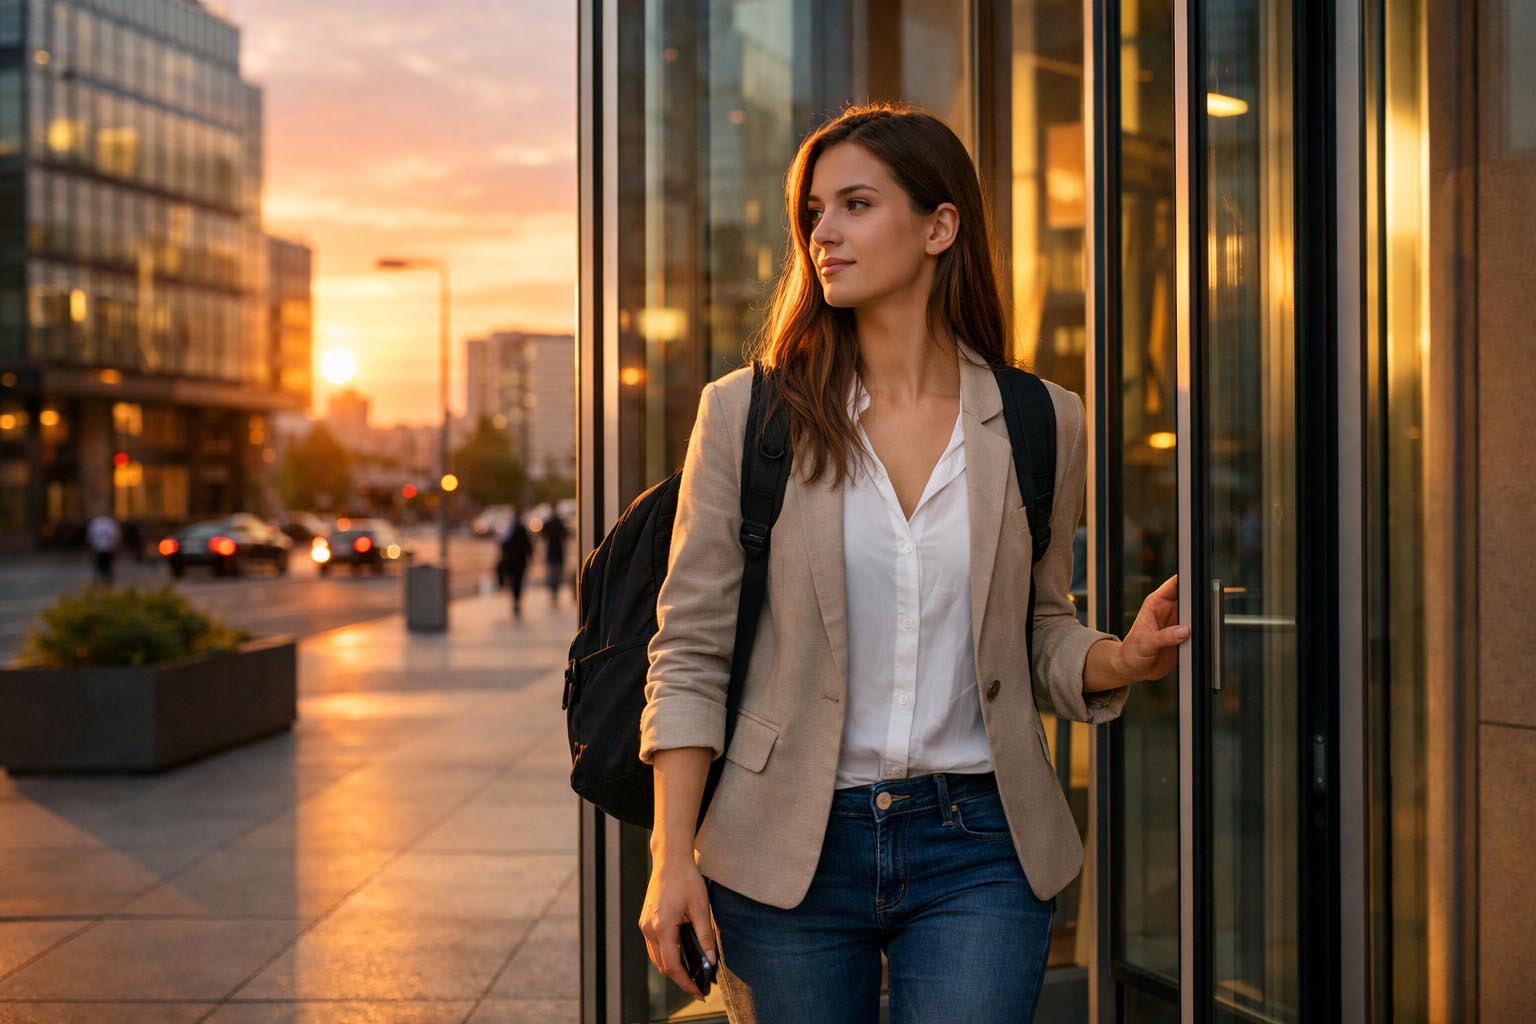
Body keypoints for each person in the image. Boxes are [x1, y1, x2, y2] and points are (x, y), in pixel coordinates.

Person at [637, 103, 1190, 1024]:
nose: (824, 233)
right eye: (813, 211)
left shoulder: (1043, 420)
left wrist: (1116, 659)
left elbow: (1037, 626)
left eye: (855, 204)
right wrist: (671, 859)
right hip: (786, 848)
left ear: (940, 228)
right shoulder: (748, 414)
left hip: (980, 841)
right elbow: (687, 648)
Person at [498, 508, 533, 619]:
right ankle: (516, 600)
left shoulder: (510, 529)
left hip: (511, 560)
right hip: (520, 560)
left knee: (514, 580)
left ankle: (515, 599)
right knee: (518, 581)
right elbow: (528, 545)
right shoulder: (521, 529)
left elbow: (503, 544)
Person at [540, 509, 569, 606]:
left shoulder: (548, 523)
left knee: (552, 573)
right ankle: (555, 593)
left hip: (551, 550)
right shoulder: (559, 523)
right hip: (558, 550)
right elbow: (565, 535)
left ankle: (553, 592)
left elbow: (543, 535)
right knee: (557, 573)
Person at [85, 510, 122, 584]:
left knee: (103, 567)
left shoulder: (96, 523)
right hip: (105, 548)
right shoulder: (109, 523)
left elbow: (90, 537)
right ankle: (104, 581)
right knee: (103, 567)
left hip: (103, 548)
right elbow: (117, 536)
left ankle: (103, 580)